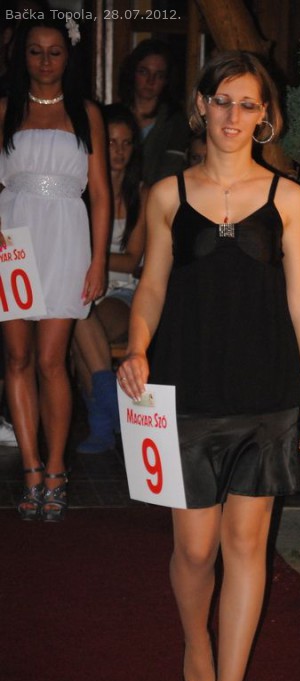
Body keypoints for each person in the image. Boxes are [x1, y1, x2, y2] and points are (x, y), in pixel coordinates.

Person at [117, 50, 300, 681]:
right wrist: (135, 346)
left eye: (248, 103)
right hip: (186, 391)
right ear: (202, 107)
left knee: (244, 547)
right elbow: (150, 285)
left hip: (268, 395)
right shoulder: (168, 194)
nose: (234, 115)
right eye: (223, 100)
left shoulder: (289, 198)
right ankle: (195, 644)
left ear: (266, 116)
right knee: (194, 548)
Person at [0, 13, 110, 520]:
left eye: (55, 51)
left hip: (66, 237)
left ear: (69, 57)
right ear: (22, 57)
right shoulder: (5, 110)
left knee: (51, 360)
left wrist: (99, 260)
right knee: (18, 358)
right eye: (35, 51)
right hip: (13, 240)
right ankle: (30, 469)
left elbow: (102, 196)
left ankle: (57, 468)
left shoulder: (86, 113)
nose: (45, 61)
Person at [72, 103, 147, 454]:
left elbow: (132, 261)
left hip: (125, 292)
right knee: (77, 318)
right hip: (86, 288)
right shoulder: (82, 192)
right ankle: (107, 416)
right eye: (112, 142)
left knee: (80, 322)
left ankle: (104, 422)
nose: (118, 151)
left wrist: (92, 257)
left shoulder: (142, 195)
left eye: (126, 143)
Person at [118, 39, 189, 186]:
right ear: (132, 73)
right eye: (144, 72)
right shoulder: (115, 116)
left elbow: (171, 174)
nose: (150, 81)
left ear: (166, 80)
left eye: (159, 75)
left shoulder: (176, 122)